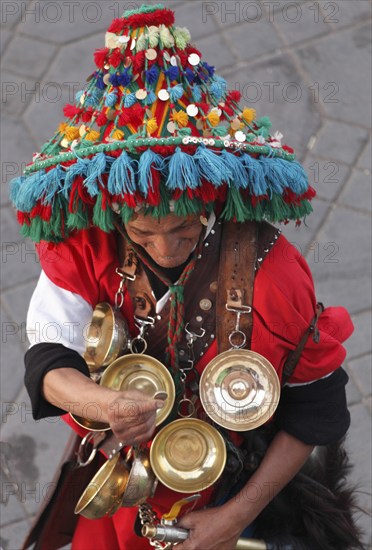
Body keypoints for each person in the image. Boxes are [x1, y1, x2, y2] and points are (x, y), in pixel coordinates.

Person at [10, 4, 363, 550]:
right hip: (124, 479)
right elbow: (49, 357)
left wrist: (230, 520)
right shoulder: (88, 243)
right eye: (143, 233)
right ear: (114, 210)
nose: (165, 249)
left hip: (231, 489)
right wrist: (101, 405)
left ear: (213, 199)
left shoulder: (277, 275)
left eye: (182, 229)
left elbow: (316, 410)